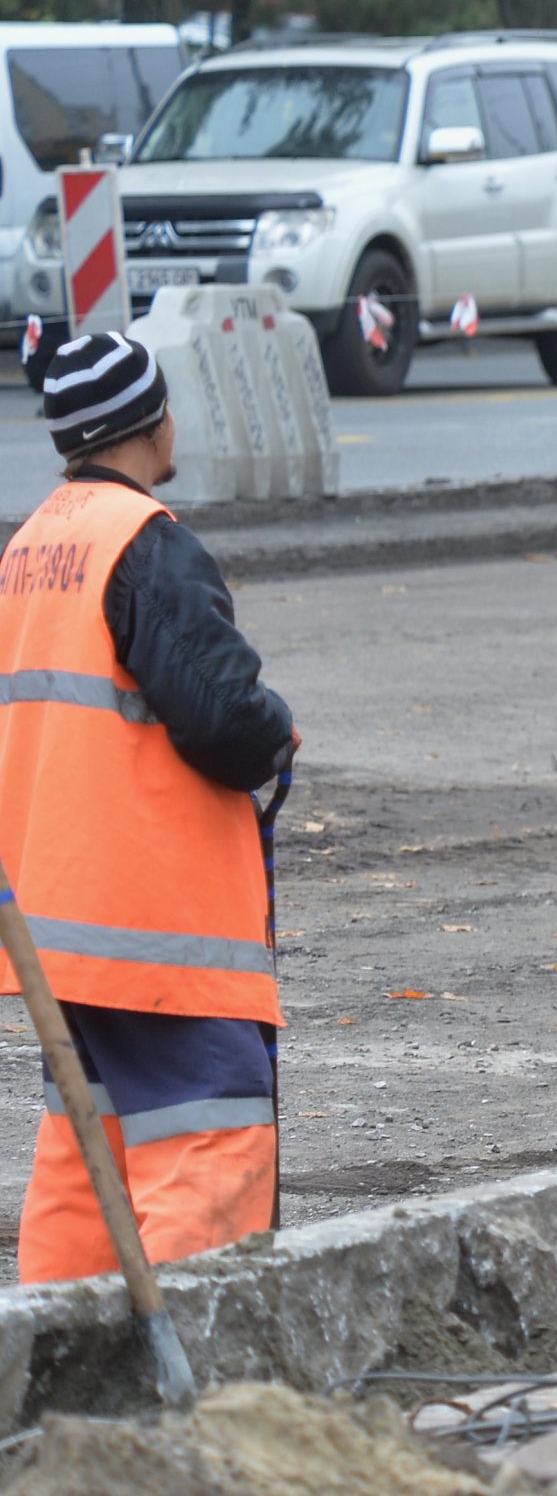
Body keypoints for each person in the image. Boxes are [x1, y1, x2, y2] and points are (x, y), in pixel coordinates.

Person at [0, 333, 297, 1282]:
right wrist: (276, 727)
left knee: (90, 1151)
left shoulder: (31, 545)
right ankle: (202, 1383)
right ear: (154, 421)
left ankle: (57, 1369)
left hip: (58, 926)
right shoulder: (145, 545)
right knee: (208, 1136)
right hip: (158, 930)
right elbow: (225, 723)